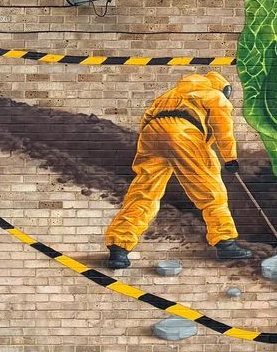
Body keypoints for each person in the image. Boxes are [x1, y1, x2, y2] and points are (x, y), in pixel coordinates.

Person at [104, 72, 252, 269]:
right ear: (222, 88)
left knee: (144, 191)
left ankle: (119, 247)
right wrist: (230, 158)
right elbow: (223, 128)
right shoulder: (214, 95)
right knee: (210, 190)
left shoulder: (172, 94)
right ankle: (225, 242)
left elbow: (146, 118)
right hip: (183, 132)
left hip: (151, 133)